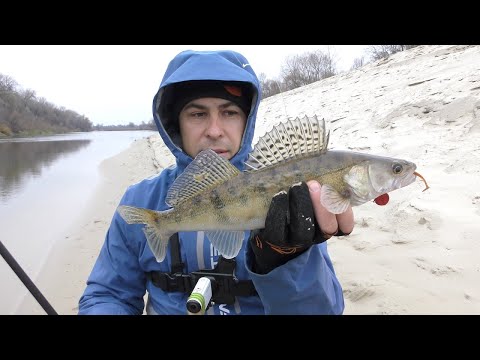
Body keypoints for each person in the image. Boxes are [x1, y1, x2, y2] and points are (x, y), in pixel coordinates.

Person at [78, 49, 354, 315]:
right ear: (175, 124)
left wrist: (287, 258)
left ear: (247, 121)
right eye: (197, 114)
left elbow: (322, 309)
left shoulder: (292, 194)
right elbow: (108, 294)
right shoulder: (140, 201)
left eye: (229, 112)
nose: (214, 131)